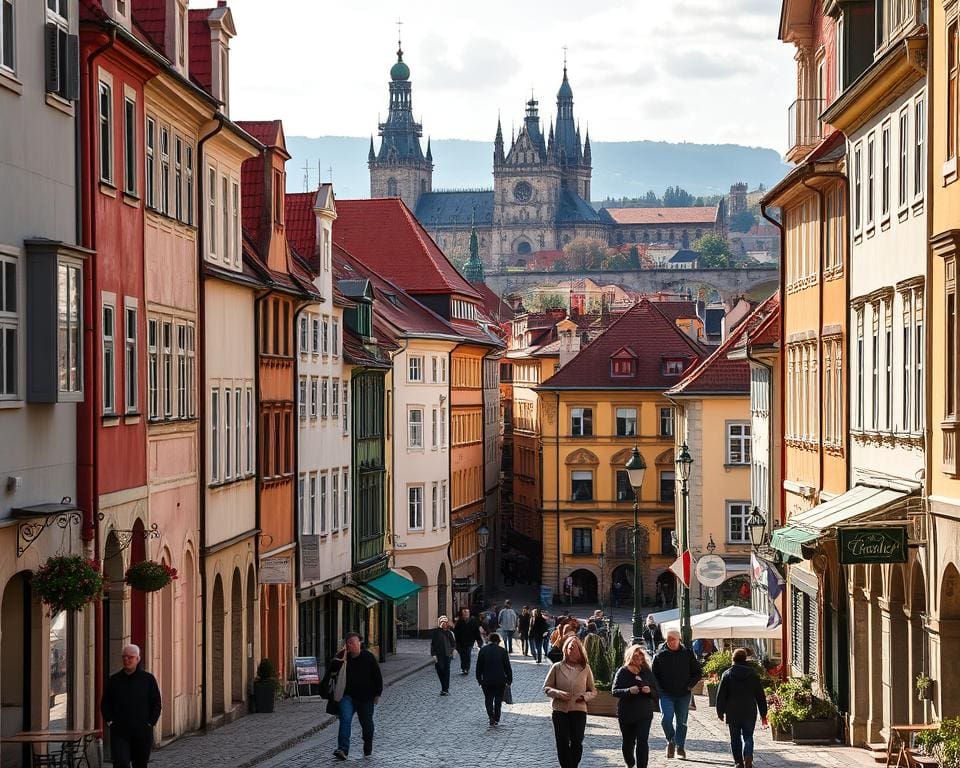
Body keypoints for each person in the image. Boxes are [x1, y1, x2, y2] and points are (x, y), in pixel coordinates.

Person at [100, 644, 161, 768]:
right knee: (121, 763)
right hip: (120, 732)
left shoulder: (148, 680)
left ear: (138, 659)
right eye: (124, 657)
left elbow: (156, 704)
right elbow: (105, 703)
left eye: (130, 657)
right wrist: (110, 721)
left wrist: (150, 723)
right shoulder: (114, 680)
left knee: (140, 764)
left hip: (142, 731)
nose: (126, 660)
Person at [544, 636, 597, 768]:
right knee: (562, 742)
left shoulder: (585, 668)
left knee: (577, 742)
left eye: (575, 647)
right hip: (560, 710)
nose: (572, 650)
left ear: (580, 650)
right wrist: (559, 694)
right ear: (565, 650)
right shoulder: (557, 667)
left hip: (578, 709)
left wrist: (584, 697)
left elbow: (593, 690)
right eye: (570, 647)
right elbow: (546, 688)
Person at [331, 632, 382, 761]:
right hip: (347, 696)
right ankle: (343, 749)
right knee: (345, 720)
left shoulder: (368, 657)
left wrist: (377, 694)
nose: (350, 645)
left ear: (359, 643)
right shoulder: (343, 657)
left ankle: (367, 747)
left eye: (353, 642)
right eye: (348, 643)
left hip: (366, 698)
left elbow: (377, 676)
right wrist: (340, 657)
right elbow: (332, 670)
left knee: (367, 725)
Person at [652, 628, 702, 759]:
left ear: (679, 639)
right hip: (666, 694)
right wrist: (659, 690)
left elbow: (697, 672)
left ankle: (680, 746)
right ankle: (671, 740)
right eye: (668, 639)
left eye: (673, 639)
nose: (670, 642)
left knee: (682, 722)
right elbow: (653, 675)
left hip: (683, 694)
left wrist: (690, 685)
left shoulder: (688, 654)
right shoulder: (660, 655)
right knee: (665, 719)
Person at [716, 647, 769, 768]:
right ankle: (748, 755)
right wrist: (763, 714)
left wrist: (720, 711)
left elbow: (721, 696)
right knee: (748, 736)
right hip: (749, 710)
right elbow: (760, 696)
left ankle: (738, 762)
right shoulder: (753, 675)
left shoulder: (727, 674)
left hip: (732, 711)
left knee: (735, 738)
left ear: (733, 659)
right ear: (745, 659)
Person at [612, 644, 659, 768]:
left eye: (641, 657)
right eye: (636, 657)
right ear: (630, 657)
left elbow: (656, 692)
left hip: (644, 713)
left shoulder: (647, 672)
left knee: (642, 741)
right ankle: (630, 762)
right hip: (626, 713)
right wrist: (628, 691)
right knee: (628, 742)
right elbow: (615, 691)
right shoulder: (623, 671)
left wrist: (649, 691)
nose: (639, 659)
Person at [476, 632, 513, 727]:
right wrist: (509, 680)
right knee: (498, 700)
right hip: (500, 680)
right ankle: (497, 718)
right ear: (498, 641)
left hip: (487, 680)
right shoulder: (502, 651)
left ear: (489, 640)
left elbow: (478, 668)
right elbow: (507, 667)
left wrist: (479, 680)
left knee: (488, 699)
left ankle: (491, 717)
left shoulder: (483, 650)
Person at [430, 615, 456, 695]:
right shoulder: (436, 632)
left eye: (446, 622)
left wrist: (452, 651)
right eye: (443, 622)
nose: (445, 624)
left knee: (446, 672)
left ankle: (445, 689)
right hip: (438, 655)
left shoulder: (449, 633)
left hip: (447, 655)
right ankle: (444, 687)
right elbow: (433, 644)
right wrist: (433, 654)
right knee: (440, 670)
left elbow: (453, 643)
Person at [453, 607, 484, 675]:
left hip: (470, 641)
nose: (466, 614)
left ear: (469, 614)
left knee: (467, 654)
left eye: (467, 612)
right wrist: (455, 640)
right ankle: (463, 668)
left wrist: (479, 640)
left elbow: (476, 631)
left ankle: (466, 668)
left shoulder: (473, 621)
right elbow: (456, 631)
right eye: (465, 613)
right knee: (462, 655)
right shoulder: (460, 621)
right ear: (462, 614)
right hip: (461, 642)